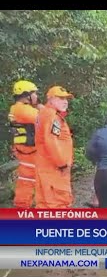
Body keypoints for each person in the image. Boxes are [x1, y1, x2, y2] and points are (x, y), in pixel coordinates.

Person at [35, 85, 74, 209]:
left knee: (45, 206)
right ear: (50, 99)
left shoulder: (46, 114)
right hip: (55, 170)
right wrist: (62, 163)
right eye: (61, 98)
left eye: (66, 99)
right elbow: (51, 140)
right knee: (58, 205)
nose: (65, 101)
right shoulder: (53, 117)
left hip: (46, 168)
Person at [8, 80, 44, 208]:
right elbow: (46, 119)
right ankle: (21, 211)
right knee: (27, 181)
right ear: (26, 95)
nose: (36, 96)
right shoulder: (24, 110)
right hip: (28, 152)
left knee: (28, 180)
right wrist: (42, 108)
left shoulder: (16, 108)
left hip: (25, 150)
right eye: (34, 93)